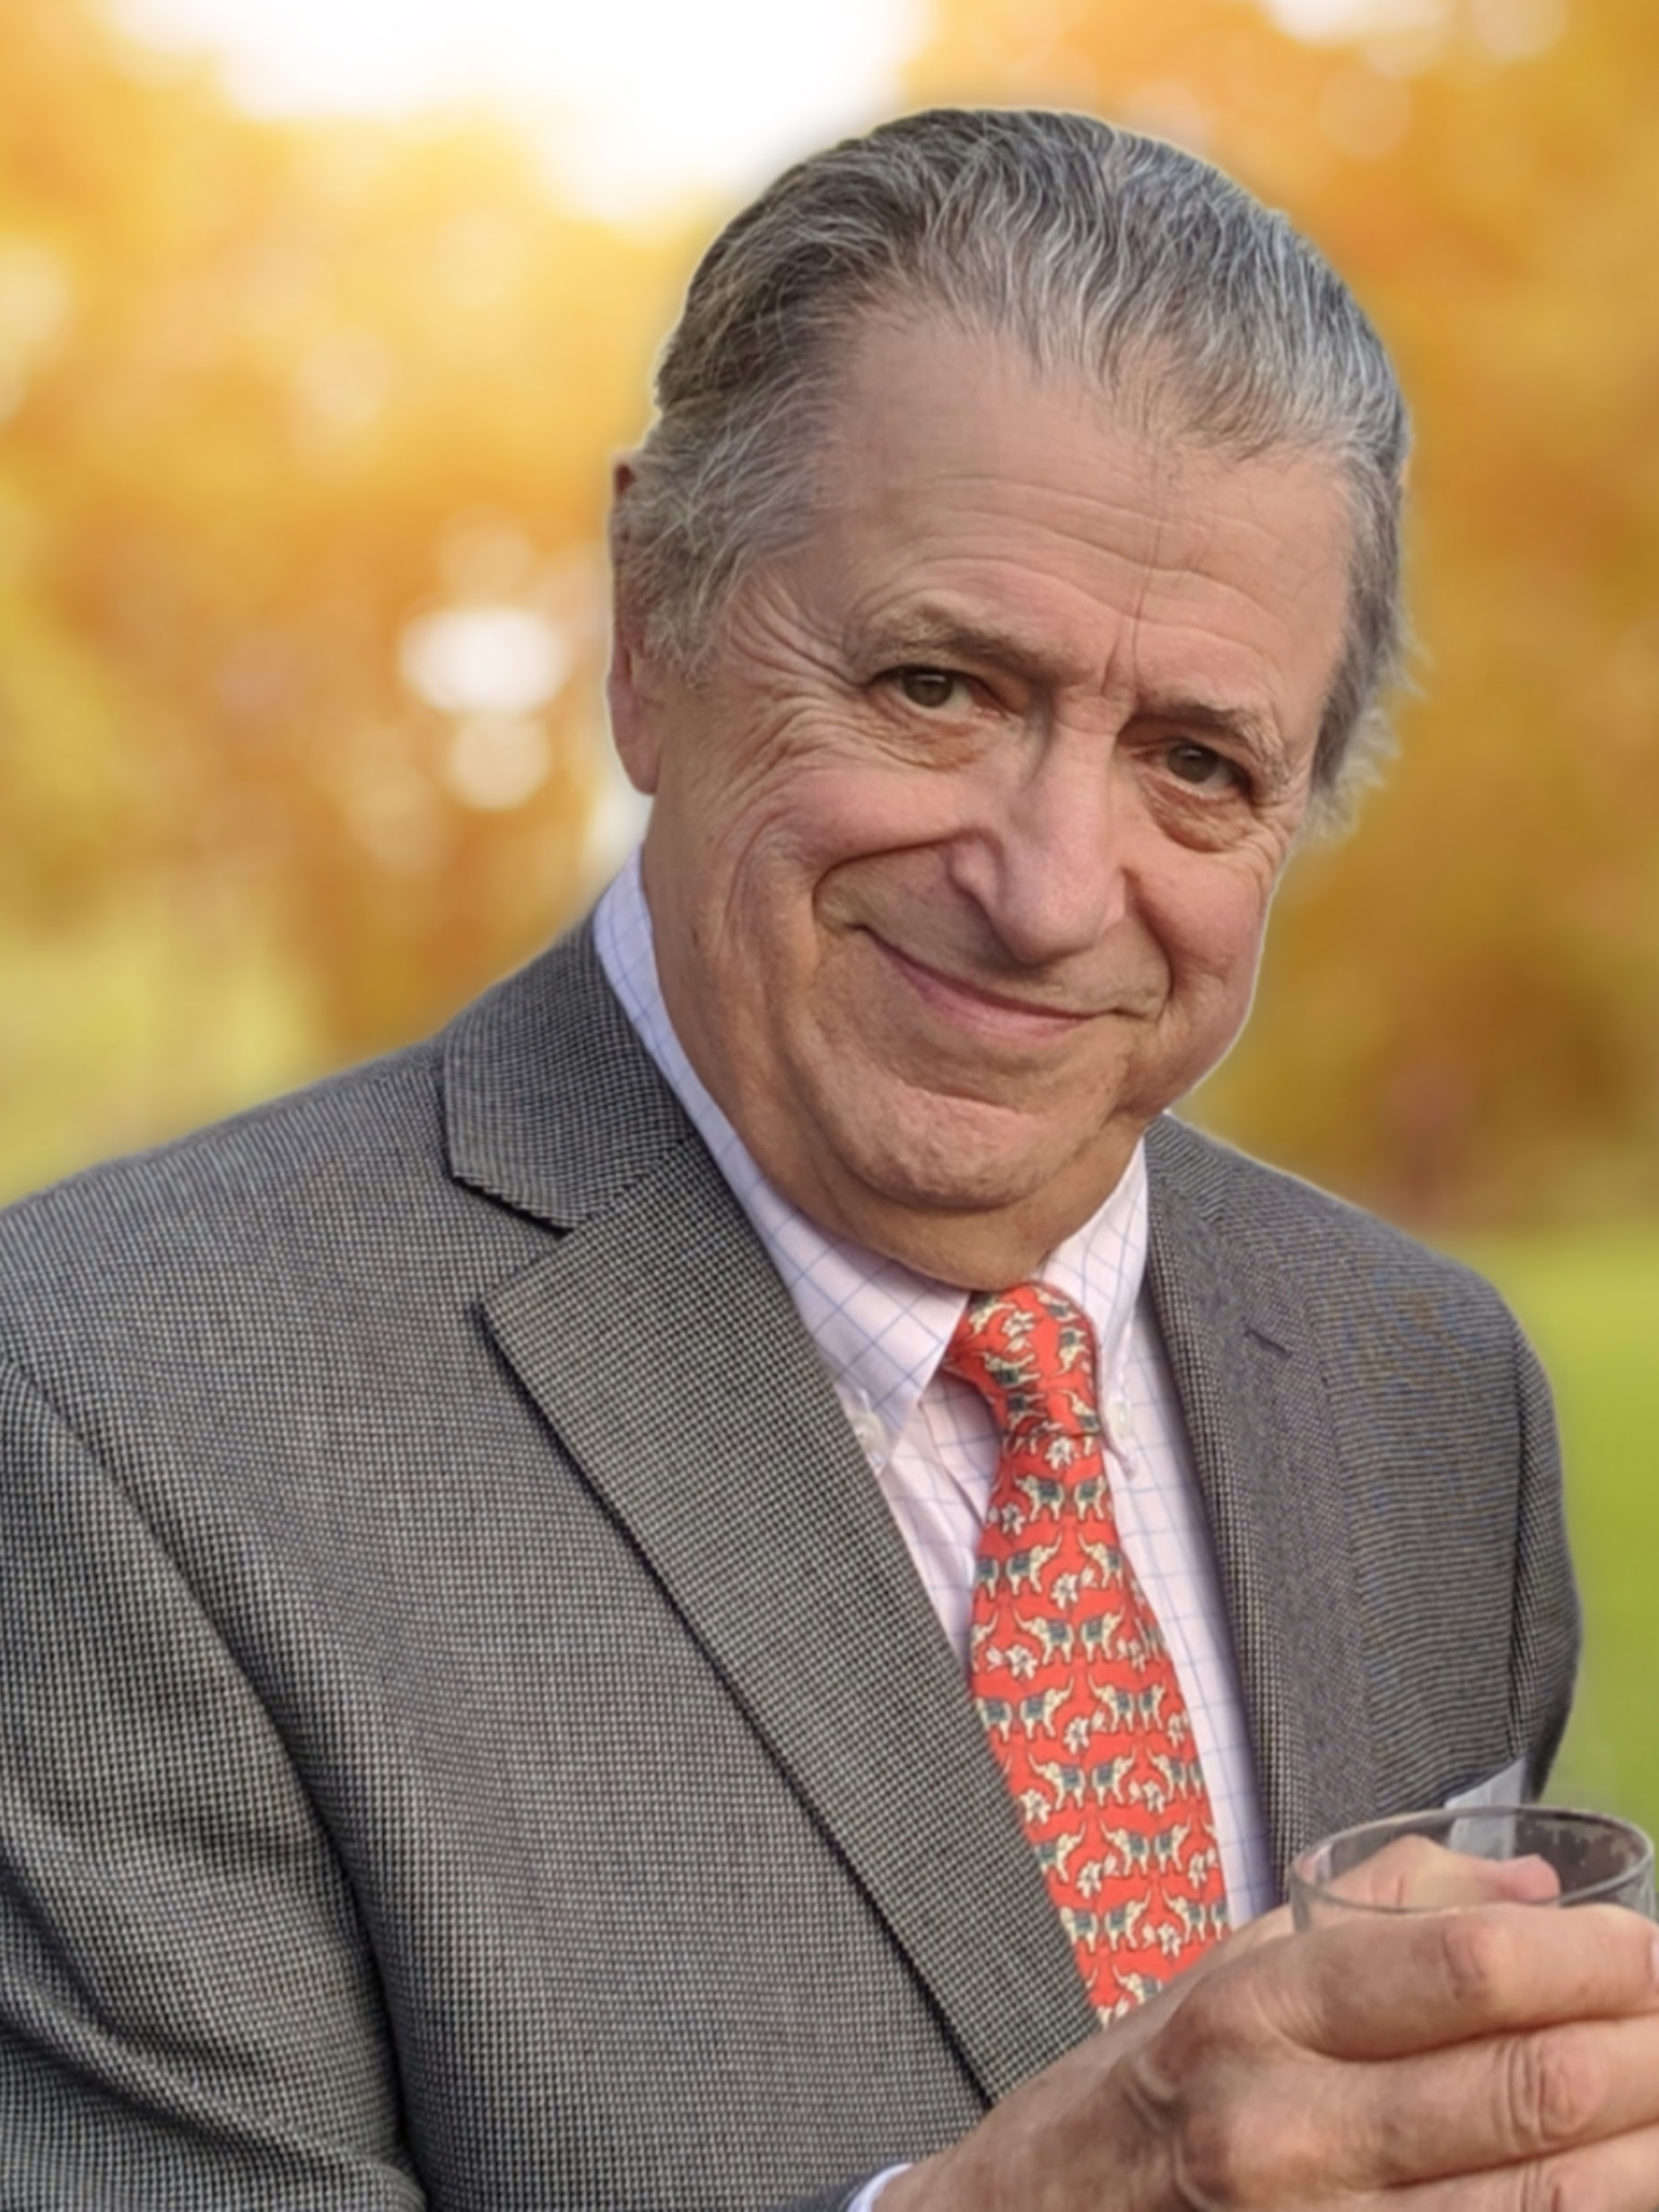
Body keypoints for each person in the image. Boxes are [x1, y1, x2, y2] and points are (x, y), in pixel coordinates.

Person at [1, 105, 1653, 2212]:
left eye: (1194, 761)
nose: (1049, 890)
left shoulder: (1426, 1390)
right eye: (937, 685)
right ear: (651, 626)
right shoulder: (109, 1411)